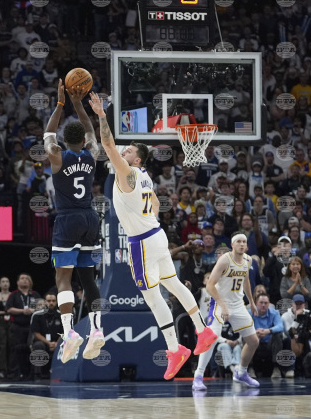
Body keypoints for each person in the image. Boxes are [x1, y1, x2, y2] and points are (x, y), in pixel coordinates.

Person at [88, 92, 217, 380]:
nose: (123, 152)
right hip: (156, 234)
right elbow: (156, 204)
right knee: (174, 284)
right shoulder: (145, 175)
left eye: (128, 152)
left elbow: (107, 144)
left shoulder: (128, 174)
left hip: (143, 243)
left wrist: (102, 116)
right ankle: (203, 330)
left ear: (137, 159)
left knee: (152, 296)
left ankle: (174, 349)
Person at [44, 79, 105, 362]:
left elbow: (48, 133)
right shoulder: (92, 153)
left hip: (68, 219)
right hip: (90, 218)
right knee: (88, 279)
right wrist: (78, 103)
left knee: (63, 279)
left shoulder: (57, 156)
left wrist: (60, 104)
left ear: (65, 141)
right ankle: (96, 330)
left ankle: (69, 333)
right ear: (83, 141)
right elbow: (91, 129)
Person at [192, 233, 260, 390]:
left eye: (244, 242)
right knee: (211, 338)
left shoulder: (248, 260)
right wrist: (223, 306)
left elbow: (246, 281)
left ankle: (241, 373)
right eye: (238, 241)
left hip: (238, 304)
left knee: (253, 341)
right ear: (232, 245)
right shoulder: (224, 260)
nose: (241, 244)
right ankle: (198, 376)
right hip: (219, 302)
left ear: (247, 246)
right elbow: (210, 285)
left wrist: (251, 301)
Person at [29, 293, 62, 378]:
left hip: (57, 342)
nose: (51, 303)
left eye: (53, 301)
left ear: (57, 302)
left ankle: (61, 373)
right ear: (44, 302)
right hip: (42, 342)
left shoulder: (61, 315)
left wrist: (57, 343)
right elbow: (36, 333)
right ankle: (37, 374)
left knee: (65, 345)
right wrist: (49, 343)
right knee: (38, 345)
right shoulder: (37, 315)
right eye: (49, 301)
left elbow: (64, 332)